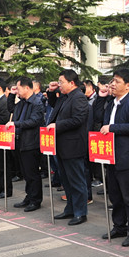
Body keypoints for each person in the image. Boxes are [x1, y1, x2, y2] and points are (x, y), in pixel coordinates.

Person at [93, 68, 129, 246]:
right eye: (112, 81)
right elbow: (97, 117)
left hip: (127, 159)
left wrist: (112, 128)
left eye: (117, 81)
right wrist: (101, 98)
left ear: (128, 85)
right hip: (111, 157)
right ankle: (119, 226)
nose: (112, 84)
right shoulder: (111, 103)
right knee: (115, 197)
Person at [47, 70, 90, 226]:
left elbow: (78, 119)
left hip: (73, 146)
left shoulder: (78, 97)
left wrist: (57, 125)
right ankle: (70, 209)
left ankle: (80, 212)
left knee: (76, 181)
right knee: (66, 180)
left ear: (72, 83)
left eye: (61, 82)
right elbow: (54, 106)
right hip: (62, 146)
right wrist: (51, 92)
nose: (59, 85)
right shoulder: (65, 97)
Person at [9, 77, 45, 211]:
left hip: (31, 142)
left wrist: (16, 124)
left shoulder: (37, 102)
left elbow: (34, 121)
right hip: (21, 141)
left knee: (32, 173)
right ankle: (29, 197)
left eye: (18, 88)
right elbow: (11, 108)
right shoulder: (22, 103)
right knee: (25, 173)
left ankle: (35, 200)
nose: (17, 91)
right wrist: (12, 95)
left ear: (27, 88)